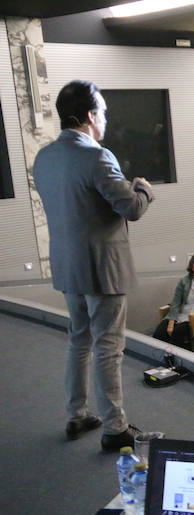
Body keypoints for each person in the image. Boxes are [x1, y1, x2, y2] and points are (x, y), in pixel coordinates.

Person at [34, 80, 154, 450]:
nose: (105, 119)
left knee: (79, 340)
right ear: (89, 115)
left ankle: (77, 414)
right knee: (108, 347)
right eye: (102, 112)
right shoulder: (98, 157)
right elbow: (130, 208)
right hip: (102, 268)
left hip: (68, 266)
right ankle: (115, 428)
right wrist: (143, 188)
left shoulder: (44, 158)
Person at [154, 253, 194, 349]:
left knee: (178, 334)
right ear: (192, 267)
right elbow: (176, 302)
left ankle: (176, 357)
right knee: (159, 333)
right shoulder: (184, 281)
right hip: (178, 314)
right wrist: (171, 322)